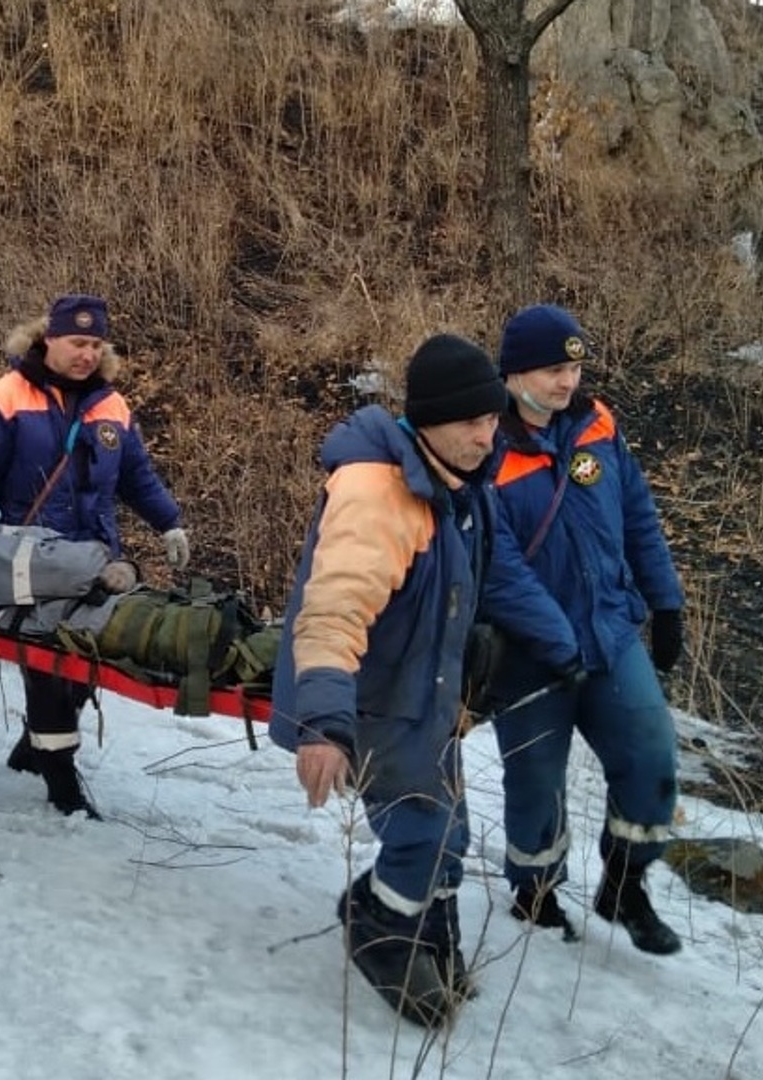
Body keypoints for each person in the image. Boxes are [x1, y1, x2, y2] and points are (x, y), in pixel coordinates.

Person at [269, 334, 581, 1027]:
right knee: (422, 831)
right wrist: (323, 725)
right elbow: (332, 613)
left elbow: (494, 575)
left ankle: (432, 941)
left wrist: (563, 646)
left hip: (428, 689)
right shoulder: (378, 494)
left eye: (490, 417)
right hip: (368, 695)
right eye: (471, 421)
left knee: (450, 825)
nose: (485, 432)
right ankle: (378, 925)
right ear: (428, 421)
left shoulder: (462, 484)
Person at [485, 303, 688, 954]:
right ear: (515, 372)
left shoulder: (598, 424)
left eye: (573, 367)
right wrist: (554, 641)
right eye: (551, 370)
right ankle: (535, 892)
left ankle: (624, 886)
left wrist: (666, 601)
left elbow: (637, 514)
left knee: (651, 757)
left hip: (609, 632)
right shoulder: (484, 445)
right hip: (530, 655)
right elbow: (498, 566)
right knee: (535, 783)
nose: (566, 382)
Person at [0, 294, 189, 818]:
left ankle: (32, 749)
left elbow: (136, 477)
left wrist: (169, 521)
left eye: (96, 344)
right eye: (77, 342)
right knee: (50, 668)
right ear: (48, 339)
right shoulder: (3, 400)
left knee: (83, 667)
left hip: (97, 558)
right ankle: (62, 783)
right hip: (34, 563)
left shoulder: (113, 406)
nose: (87, 353)